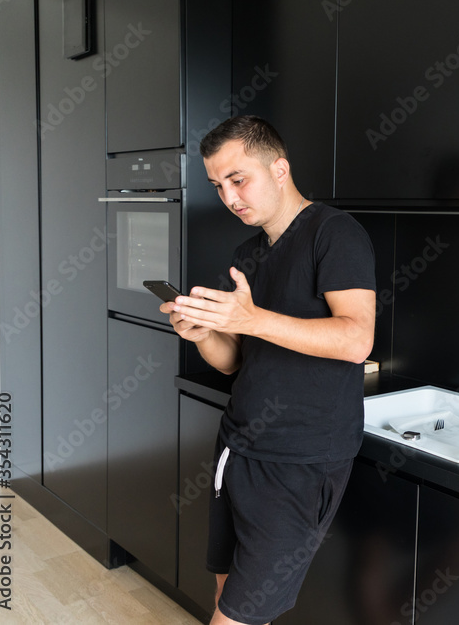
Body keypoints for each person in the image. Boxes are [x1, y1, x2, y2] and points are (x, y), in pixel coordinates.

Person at [160, 115, 376, 625]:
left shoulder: (335, 234)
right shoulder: (248, 252)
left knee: (238, 616)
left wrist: (250, 318)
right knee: (226, 591)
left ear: (279, 168)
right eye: (218, 186)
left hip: (298, 462)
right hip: (238, 447)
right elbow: (236, 360)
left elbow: (356, 340)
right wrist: (205, 333)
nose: (229, 197)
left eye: (238, 179)